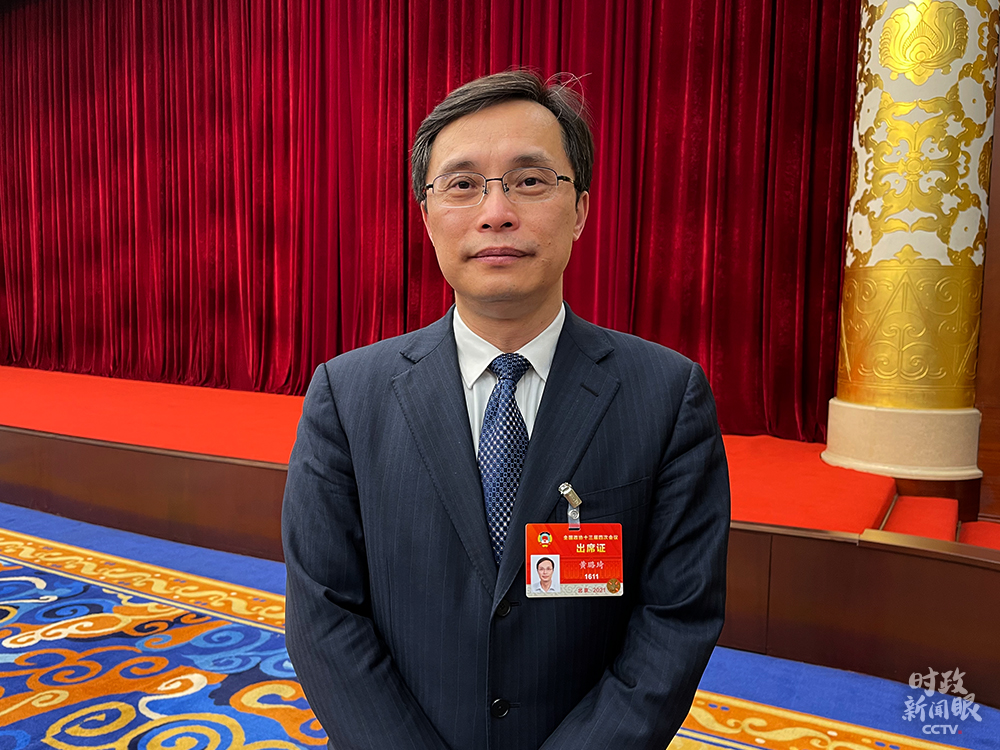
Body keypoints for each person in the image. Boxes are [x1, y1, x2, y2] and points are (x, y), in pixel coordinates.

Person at [282, 69, 730, 750]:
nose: (496, 212)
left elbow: (676, 616)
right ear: (426, 216)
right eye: (463, 185)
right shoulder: (346, 396)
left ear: (580, 210)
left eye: (529, 180)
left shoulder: (667, 396)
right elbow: (324, 613)